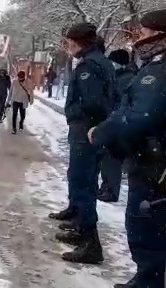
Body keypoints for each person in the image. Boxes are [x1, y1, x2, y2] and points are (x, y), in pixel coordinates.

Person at [88, 9, 166, 288]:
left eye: (143, 34)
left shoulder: (158, 71)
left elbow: (139, 116)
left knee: (145, 229)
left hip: (152, 166)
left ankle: (148, 282)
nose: (139, 40)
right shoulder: (152, 66)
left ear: (159, 35)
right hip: (152, 162)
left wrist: (104, 133)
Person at [49, 22, 116, 265]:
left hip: (86, 131)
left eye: (69, 42)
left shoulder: (90, 65)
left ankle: (90, 243)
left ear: (78, 42)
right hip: (89, 131)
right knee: (82, 179)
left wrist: (80, 118)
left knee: (83, 183)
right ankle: (82, 231)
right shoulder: (99, 61)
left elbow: (94, 102)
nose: (67, 47)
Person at [96, 49, 136, 203]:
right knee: (107, 158)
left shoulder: (126, 79)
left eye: (113, 62)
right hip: (113, 120)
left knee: (112, 159)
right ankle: (106, 187)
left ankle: (111, 191)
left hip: (119, 124)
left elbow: (122, 103)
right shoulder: (119, 77)